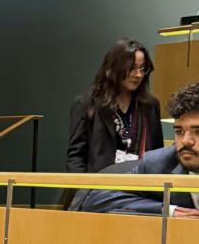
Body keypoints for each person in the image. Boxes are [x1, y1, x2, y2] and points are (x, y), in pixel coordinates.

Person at [78, 83, 199, 217]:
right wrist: (167, 210)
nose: (186, 141)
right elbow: (96, 199)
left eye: (198, 132)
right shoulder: (158, 164)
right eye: (179, 131)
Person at [66, 39, 163, 176]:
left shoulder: (150, 105)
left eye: (142, 69)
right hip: (100, 188)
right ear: (115, 68)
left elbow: (158, 155)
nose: (138, 75)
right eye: (132, 68)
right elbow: (76, 157)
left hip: (141, 186)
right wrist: (84, 192)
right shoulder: (87, 104)